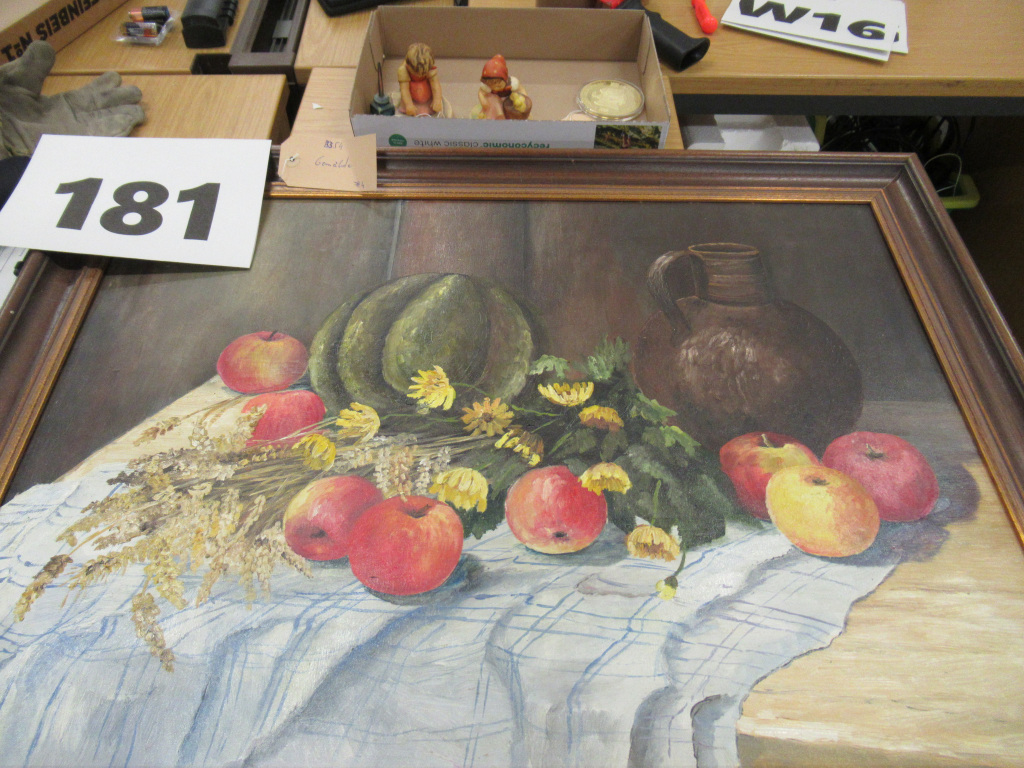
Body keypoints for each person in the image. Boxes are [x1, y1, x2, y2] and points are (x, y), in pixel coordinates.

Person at [472, 54, 528, 120]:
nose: (495, 86)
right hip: (494, 103)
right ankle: (496, 117)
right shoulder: (486, 88)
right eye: (491, 84)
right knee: (493, 101)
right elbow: (481, 93)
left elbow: (521, 89)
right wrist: (483, 102)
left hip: (508, 101)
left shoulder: (512, 84)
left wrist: (524, 98)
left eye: (498, 83)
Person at [396, 43, 443, 117]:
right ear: (408, 66)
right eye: (416, 73)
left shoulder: (429, 66)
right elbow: (404, 89)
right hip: (411, 99)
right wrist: (409, 105)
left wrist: (437, 100)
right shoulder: (403, 70)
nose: (419, 76)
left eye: (424, 73)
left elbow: (435, 84)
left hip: (427, 100)